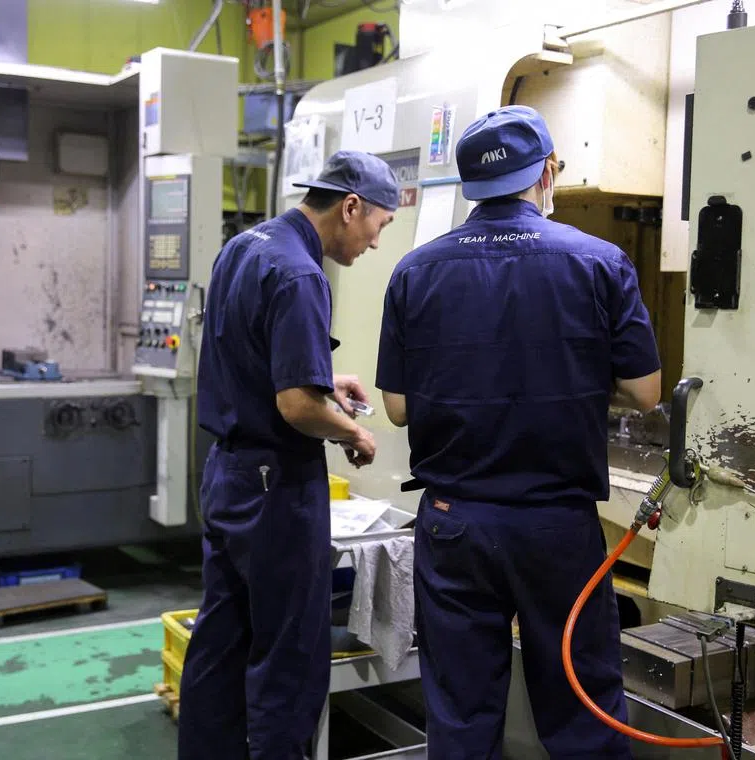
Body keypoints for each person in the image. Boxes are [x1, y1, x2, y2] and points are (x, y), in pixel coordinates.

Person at [375, 105, 662, 759]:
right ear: (548, 173)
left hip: (453, 524)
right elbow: (646, 392)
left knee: (461, 712)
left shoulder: (415, 272)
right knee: (581, 709)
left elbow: (396, 407)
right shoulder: (600, 262)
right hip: (556, 528)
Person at [178, 150, 399, 760]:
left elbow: (256, 354)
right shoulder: (302, 274)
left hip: (228, 474)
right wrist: (353, 433)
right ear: (351, 207)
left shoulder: (246, 246)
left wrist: (328, 377)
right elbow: (298, 408)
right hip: (277, 487)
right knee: (288, 659)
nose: (375, 244)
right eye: (379, 226)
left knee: (221, 643)